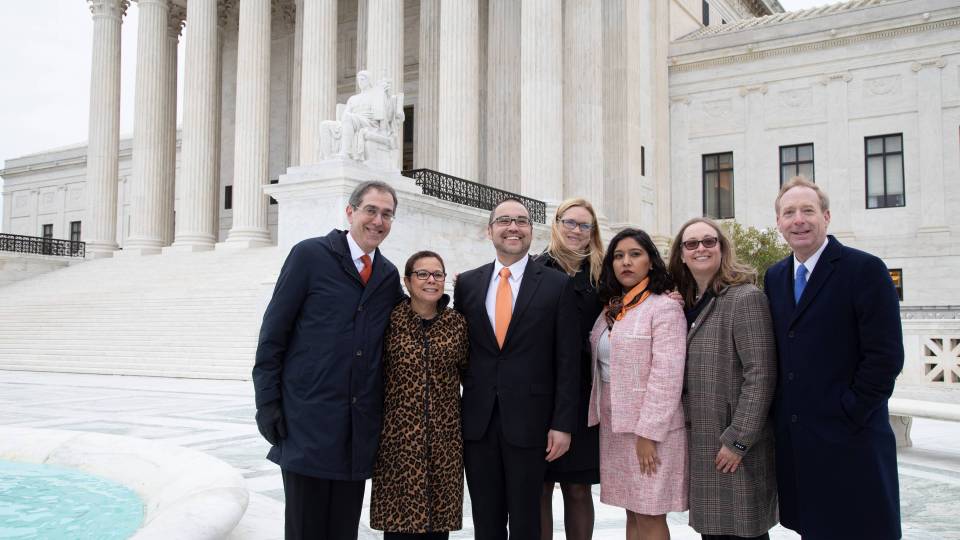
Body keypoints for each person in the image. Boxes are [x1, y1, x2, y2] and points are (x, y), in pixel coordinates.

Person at [252, 180, 404, 540]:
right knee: (306, 530)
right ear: (350, 212)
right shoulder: (310, 255)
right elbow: (273, 334)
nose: (378, 221)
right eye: (371, 210)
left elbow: (409, 324)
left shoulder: (386, 275)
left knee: (343, 531)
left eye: (387, 214)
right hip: (307, 422)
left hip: (357, 429)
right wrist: (267, 404)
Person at [765, 176, 903, 539]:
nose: (799, 220)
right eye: (789, 212)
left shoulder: (864, 270)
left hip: (852, 439)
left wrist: (851, 411)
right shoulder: (775, 277)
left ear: (826, 217)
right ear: (779, 223)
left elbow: (885, 357)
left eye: (808, 210)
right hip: (799, 443)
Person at [453, 197, 580, 539]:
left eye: (521, 221)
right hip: (478, 424)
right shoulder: (467, 285)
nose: (513, 227)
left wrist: (562, 423)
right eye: (505, 221)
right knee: (486, 522)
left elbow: (567, 360)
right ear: (489, 230)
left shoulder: (557, 285)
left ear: (531, 231)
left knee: (528, 522)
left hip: (532, 424)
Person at [668, 217, 778, 540]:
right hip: (703, 444)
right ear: (682, 255)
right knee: (714, 533)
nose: (700, 248)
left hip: (733, 447)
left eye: (709, 241)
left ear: (722, 248)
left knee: (744, 533)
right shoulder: (685, 304)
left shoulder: (745, 298)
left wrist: (738, 439)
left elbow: (761, 375)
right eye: (692, 244)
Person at [587, 228, 687, 540]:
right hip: (616, 425)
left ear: (651, 263)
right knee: (631, 510)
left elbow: (667, 377)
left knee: (650, 512)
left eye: (635, 254)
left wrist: (648, 434)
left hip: (651, 430)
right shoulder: (612, 309)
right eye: (618, 256)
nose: (625, 262)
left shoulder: (664, 307)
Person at [370, 250, 469, 540]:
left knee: (437, 529)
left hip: (445, 444)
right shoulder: (390, 322)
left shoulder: (457, 324)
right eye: (422, 274)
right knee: (399, 527)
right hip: (397, 443)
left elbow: (470, 376)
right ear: (407, 281)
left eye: (437, 274)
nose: (431, 280)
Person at [535, 198, 604, 540]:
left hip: (584, 395)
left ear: (593, 232)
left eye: (584, 225)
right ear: (557, 223)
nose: (576, 231)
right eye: (570, 222)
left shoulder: (603, 274)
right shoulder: (536, 268)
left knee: (577, 489)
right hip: (541, 393)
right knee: (541, 487)